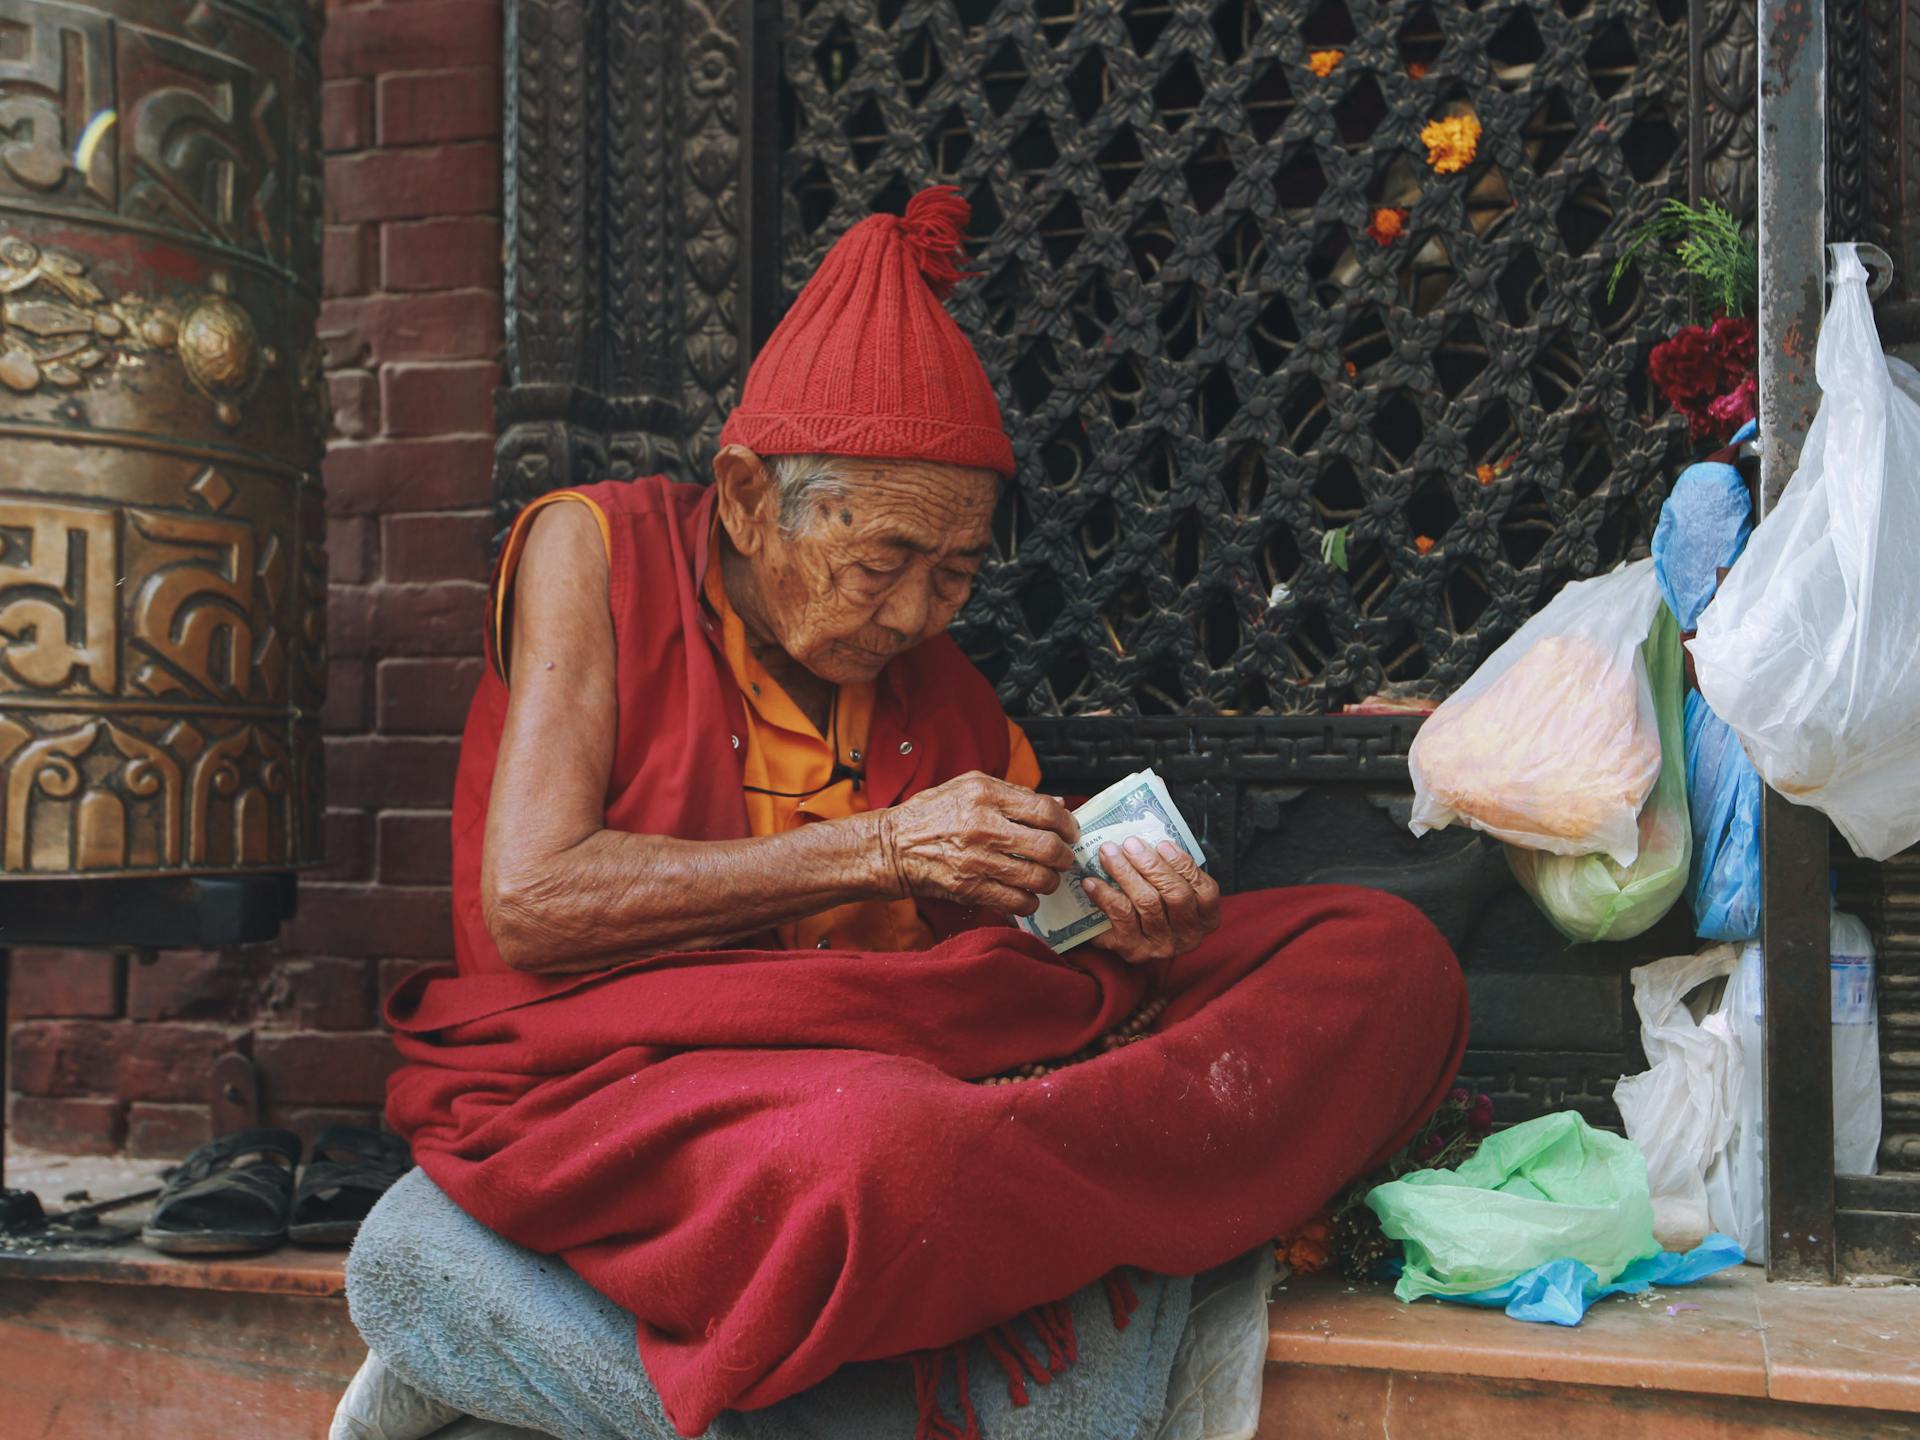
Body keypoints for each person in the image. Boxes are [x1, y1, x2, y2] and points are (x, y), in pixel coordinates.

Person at [358, 187, 1468, 1440]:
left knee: (1383, 961)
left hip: (926, 1074)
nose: (913, 615)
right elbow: (535, 902)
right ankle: (1066, 1227)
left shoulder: (951, 700)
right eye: (882, 560)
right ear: (742, 498)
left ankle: (993, 1213)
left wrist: (1127, 930)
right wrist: (881, 844)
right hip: (646, 1081)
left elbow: (1004, 972)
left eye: (954, 574)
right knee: (884, 1155)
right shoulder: (594, 551)